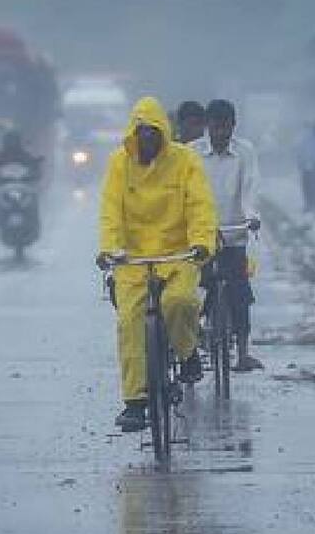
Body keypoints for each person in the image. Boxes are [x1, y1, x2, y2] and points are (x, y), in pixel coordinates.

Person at [97, 96, 217, 432]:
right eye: (141, 136)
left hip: (178, 255)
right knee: (129, 323)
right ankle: (135, 402)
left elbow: (200, 206)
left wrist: (202, 243)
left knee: (179, 302)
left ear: (163, 134)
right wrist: (108, 248)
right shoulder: (119, 163)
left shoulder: (186, 161)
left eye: (153, 135)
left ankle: (187, 352)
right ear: (132, 136)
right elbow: (110, 211)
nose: (147, 142)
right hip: (132, 260)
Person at [192, 99, 263, 372]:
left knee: (240, 292)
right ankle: (192, 341)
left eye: (226, 127)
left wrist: (251, 216)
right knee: (194, 290)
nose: (221, 133)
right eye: (215, 127)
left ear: (234, 126)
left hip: (234, 231)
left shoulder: (246, 152)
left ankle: (243, 352)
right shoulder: (192, 153)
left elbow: (250, 186)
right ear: (207, 126)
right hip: (200, 234)